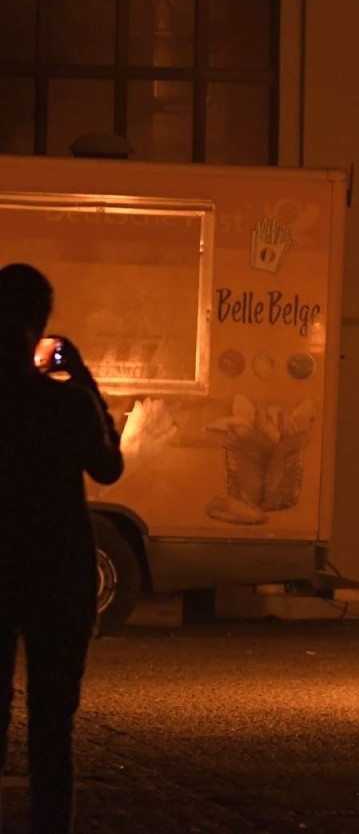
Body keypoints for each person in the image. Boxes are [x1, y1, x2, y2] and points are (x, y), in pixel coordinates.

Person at [0, 264, 123, 833]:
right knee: (53, 727)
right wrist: (83, 377)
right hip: (58, 575)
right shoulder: (65, 402)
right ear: (40, 324)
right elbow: (108, 466)